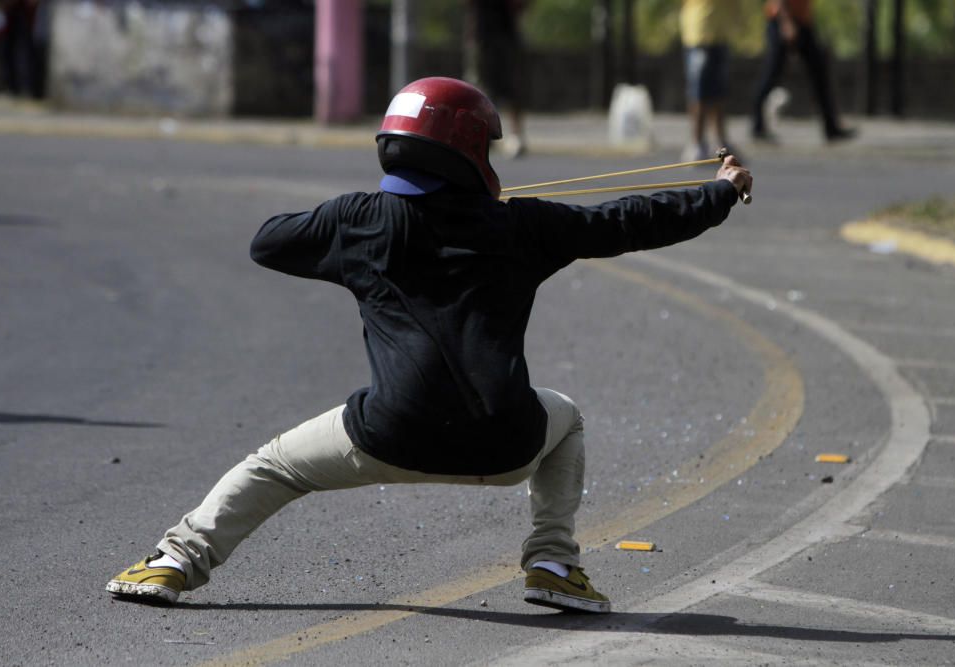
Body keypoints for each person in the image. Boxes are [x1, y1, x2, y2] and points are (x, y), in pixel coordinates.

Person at [106, 77, 752, 614]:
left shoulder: (362, 220)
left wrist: (346, 219)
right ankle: (553, 560)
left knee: (270, 468)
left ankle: (173, 562)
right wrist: (719, 192)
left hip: (388, 433)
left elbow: (268, 241)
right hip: (506, 441)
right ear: (472, 152)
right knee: (569, 417)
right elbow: (628, 221)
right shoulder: (524, 226)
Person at [751, 0, 856, 143]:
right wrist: (786, 22)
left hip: (802, 21)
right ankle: (757, 126)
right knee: (771, 75)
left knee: (819, 73)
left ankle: (831, 127)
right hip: (781, 20)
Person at [679, 0, 743, 161]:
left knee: (718, 93)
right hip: (700, 33)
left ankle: (720, 144)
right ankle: (697, 143)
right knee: (699, 92)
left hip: (720, 34)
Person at [464, 0, 528, 158]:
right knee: (479, 87)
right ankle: (482, 134)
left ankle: (516, 134)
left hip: (506, 32)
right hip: (481, 33)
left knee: (511, 84)